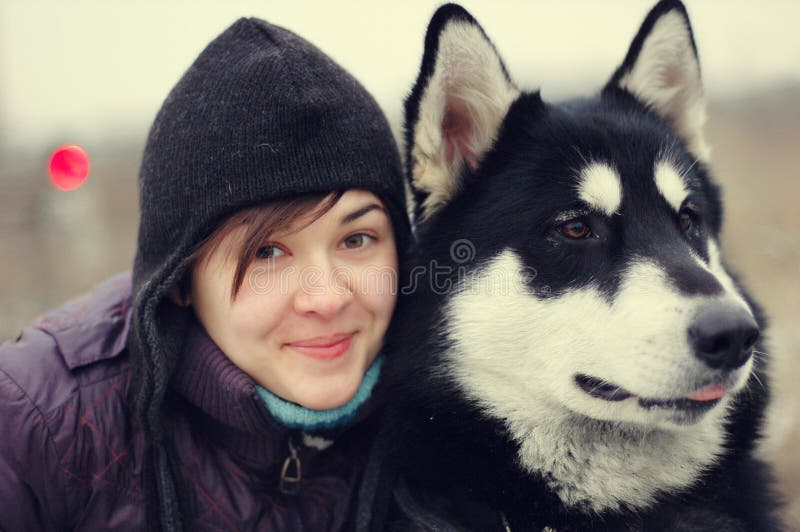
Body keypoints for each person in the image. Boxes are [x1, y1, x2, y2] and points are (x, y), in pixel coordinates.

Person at [0, 17, 410, 531]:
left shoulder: (462, 410)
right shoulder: (34, 425)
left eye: (356, 240)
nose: (326, 298)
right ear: (179, 278)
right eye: (267, 252)